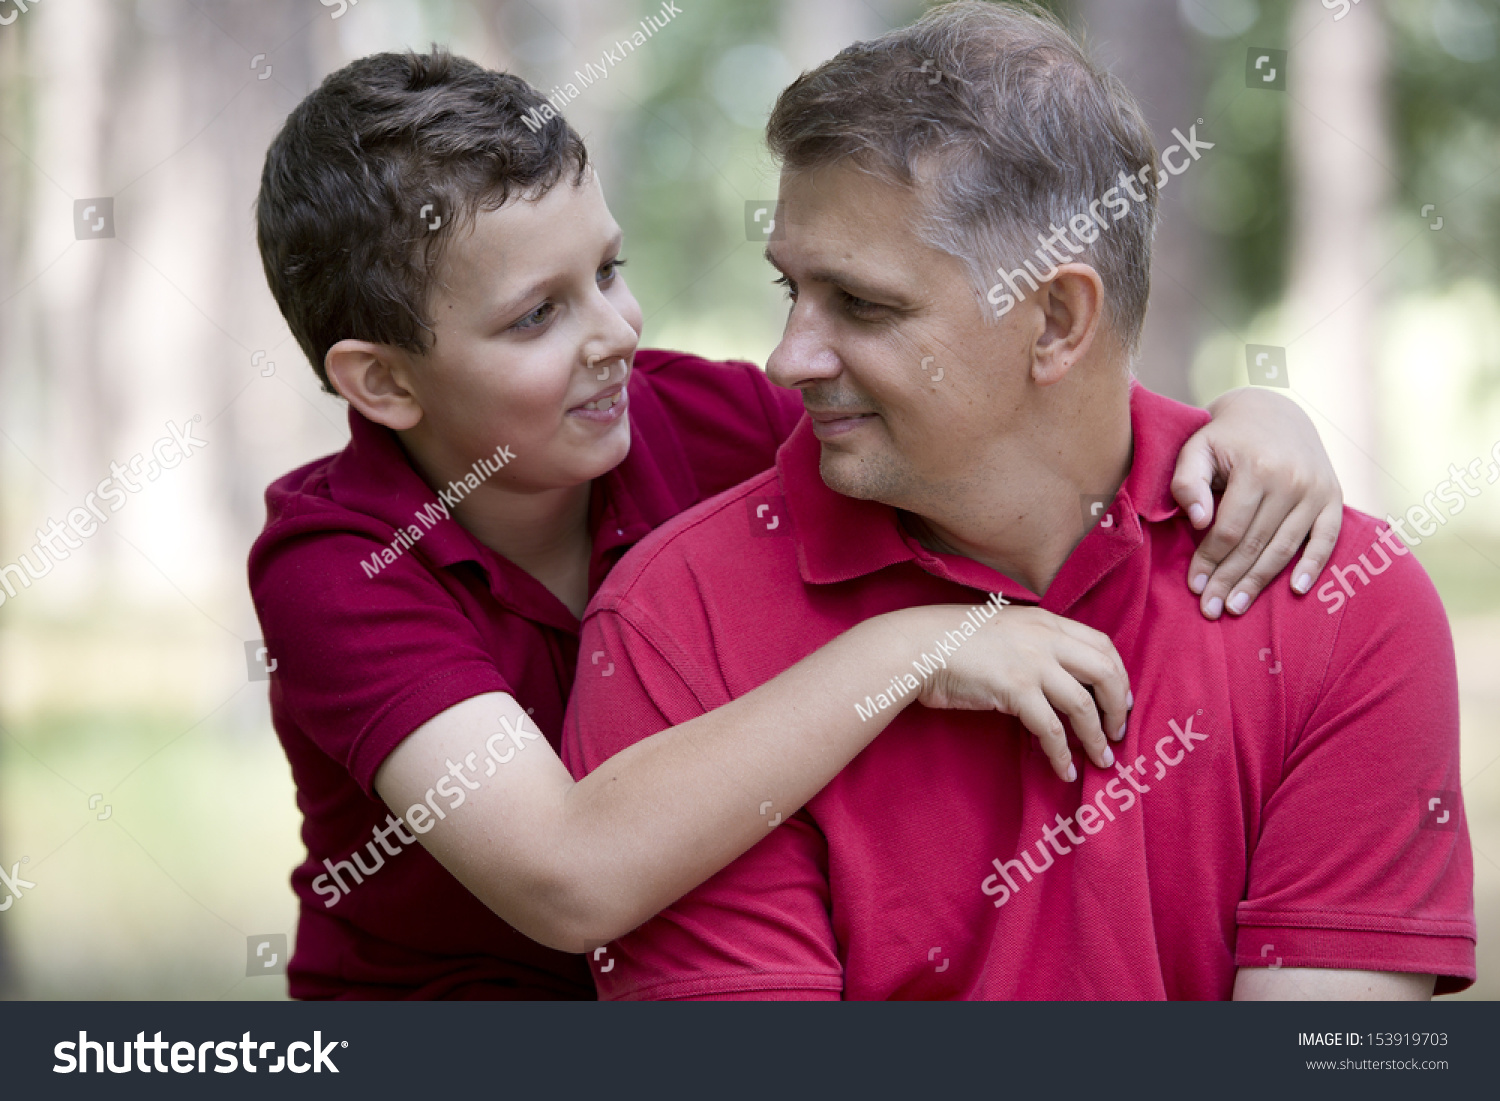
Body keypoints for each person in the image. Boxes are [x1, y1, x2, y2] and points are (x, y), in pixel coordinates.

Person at [250, 47, 1346, 999]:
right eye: (539, 314)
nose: (616, 332)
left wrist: (1252, 418)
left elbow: (980, 412)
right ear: (383, 383)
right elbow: (567, 876)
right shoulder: (343, 566)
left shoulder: (688, 418)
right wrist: (916, 650)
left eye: (608, 272)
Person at [562, 2, 1475, 1001]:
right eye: (792, 291)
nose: (789, 361)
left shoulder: (1337, 599)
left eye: (863, 305)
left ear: (1057, 320)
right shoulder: (676, 627)